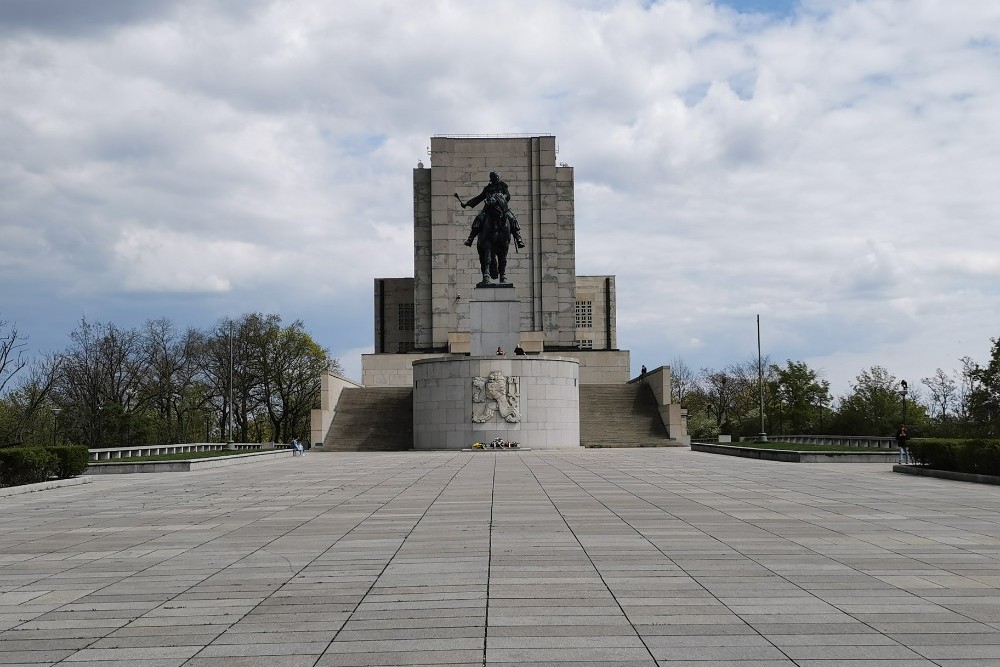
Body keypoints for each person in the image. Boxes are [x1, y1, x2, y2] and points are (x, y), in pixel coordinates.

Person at [460, 171, 526, 249]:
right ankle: (470, 238)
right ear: (492, 178)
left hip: (502, 209)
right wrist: (467, 204)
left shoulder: (503, 186)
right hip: (489, 210)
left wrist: (502, 197)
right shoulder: (487, 188)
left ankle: (518, 238)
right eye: (495, 177)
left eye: (497, 177)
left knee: (512, 219)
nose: (496, 178)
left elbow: (507, 195)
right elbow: (479, 198)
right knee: (478, 219)